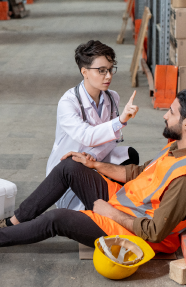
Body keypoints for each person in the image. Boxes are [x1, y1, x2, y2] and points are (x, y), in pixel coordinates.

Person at [0, 88, 186, 258]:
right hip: (122, 203)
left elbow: (156, 232)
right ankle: (12, 223)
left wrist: (110, 213)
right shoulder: (175, 147)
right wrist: (95, 165)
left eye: (170, 112)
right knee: (69, 166)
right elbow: (137, 172)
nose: (163, 116)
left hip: (132, 232)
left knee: (57, 219)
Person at [47, 40, 139, 211]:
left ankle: (113, 201)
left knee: (129, 155)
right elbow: (87, 136)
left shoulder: (112, 98)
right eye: (101, 71)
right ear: (85, 72)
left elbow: (112, 139)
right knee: (87, 209)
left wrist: (93, 158)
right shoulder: (68, 102)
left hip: (94, 159)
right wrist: (120, 121)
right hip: (69, 169)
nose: (109, 76)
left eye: (110, 70)